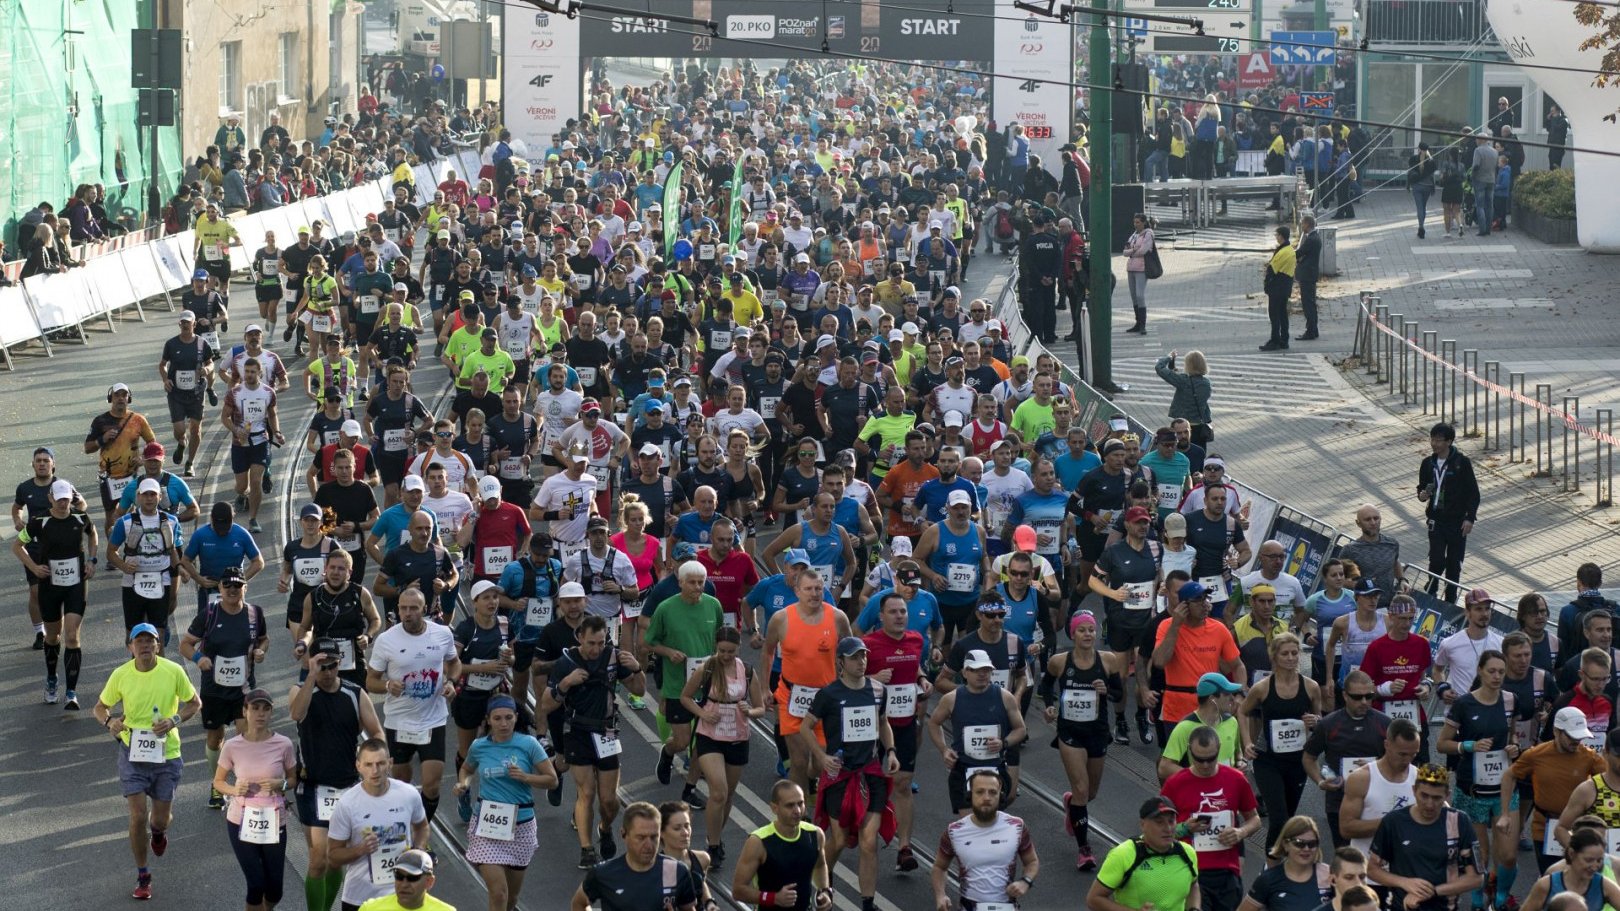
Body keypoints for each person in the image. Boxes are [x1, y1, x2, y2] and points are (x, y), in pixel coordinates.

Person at [93, 622, 202, 900]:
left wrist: (174, 720)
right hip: (132, 752)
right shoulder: (121, 675)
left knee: (160, 820)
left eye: (149, 641)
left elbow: (194, 703)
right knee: (138, 815)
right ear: (130, 647)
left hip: (166, 754)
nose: (144, 646)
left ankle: (158, 832)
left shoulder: (173, 671)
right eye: (138, 641)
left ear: (158, 645)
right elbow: (100, 707)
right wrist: (110, 722)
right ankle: (143, 875)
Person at [540, 611, 646, 869]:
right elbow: (545, 704)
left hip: (607, 732)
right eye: (591, 643)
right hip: (577, 731)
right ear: (580, 639)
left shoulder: (613, 656)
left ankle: (605, 827)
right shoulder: (566, 662)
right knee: (586, 792)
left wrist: (637, 668)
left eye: (601, 643)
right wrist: (565, 683)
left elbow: (639, 689)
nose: (597, 648)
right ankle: (586, 849)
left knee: (610, 801)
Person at [290, 637, 384, 911]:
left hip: (348, 785)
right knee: (319, 858)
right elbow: (296, 714)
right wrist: (311, 677)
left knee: (337, 858)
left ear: (340, 663)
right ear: (312, 664)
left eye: (332, 665)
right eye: (322, 665)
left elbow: (376, 732)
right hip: (314, 786)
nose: (328, 672)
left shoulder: (355, 694)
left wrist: (373, 762)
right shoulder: (300, 690)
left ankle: (327, 905)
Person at [453, 694, 558, 911]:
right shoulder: (479, 746)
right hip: (487, 825)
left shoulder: (528, 744)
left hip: (521, 826)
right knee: (499, 893)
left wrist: (526, 777)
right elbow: (467, 768)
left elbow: (552, 780)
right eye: (498, 718)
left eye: (508, 718)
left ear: (516, 718)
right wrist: (463, 783)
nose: (503, 723)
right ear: (488, 720)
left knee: (511, 899)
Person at [366, 587, 461, 826]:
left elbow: (454, 663)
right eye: (402, 608)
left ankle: (421, 832)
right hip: (399, 721)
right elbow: (370, 681)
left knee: (431, 784)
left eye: (413, 608)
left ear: (424, 609)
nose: (407, 613)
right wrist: (388, 685)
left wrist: (450, 681)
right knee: (400, 785)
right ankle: (405, 827)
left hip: (433, 719)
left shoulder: (442, 634)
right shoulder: (387, 640)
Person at [179, 564, 270, 809]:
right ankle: (217, 783)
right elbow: (186, 644)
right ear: (220, 587)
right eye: (227, 585)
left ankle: (243, 785)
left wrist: (261, 650)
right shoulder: (209, 614)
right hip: (214, 690)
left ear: (245, 588)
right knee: (214, 738)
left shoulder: (254, 614)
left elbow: (263, 638)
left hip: (243, 690)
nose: (232, 589)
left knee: (245, 736)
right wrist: (199, 659)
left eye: (237, 585)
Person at [1043, 610, 1128, 870]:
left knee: (1089, 793)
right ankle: (1084, 849)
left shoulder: (1109, 660)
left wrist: (1107, 691)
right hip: (1070, 732)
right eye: (1082, 630)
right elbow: (1045, 687)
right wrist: (1049, 706)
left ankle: (1072, 805)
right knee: (1081, 789)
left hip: (1097, 732)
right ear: (1073, 633)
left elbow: (1119, 693)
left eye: (1091, 629)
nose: (1087, 634)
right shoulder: (1060, 661)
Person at [680, 624, 768, 867]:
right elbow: (685, 697)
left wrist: (750, 711)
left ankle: (714, 835)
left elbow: (761, 708)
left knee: (728, 795)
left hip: (738, 736)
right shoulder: (707, 667)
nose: (726, 656)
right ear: (716, 648)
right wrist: (703, 713)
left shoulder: (747, 671)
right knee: (718, 791)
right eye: (722, 651)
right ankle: (714, 845)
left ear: (738, 648)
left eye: (731, 651)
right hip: (710, 735)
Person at [760, 568, 851, 794]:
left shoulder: (838, 618)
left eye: (818, 588)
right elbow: (768, 651)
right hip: (792, 698)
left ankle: (811, 780)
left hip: (826, 699)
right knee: (798, 762)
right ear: (797, 591)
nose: (814, 593)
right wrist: (764, 688)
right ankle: (800, 818)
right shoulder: (781, 619)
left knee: (821, 763)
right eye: (808, 589)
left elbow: (850, 652)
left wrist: (851, 687)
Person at [12, 478, 97, 707]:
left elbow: (93, 535)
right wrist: (34, 567)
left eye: (66, 499)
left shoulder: (80, 518)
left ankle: (71, 692)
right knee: (53, 636)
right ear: (51, 498)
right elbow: (17, 546)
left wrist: (92, 560)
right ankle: (51, 678)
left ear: (71, 498)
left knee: (71, 636)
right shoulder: (40, 521)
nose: (62, 504)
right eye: (58, 499)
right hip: (50, 585)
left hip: (76, 584)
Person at [646, 560, 724, 808]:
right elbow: (648, 643)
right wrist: (669, 652)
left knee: (702, 742)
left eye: (701, 582)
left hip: (707, 684)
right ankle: (668, 753)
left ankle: (689, 790)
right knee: (681, 741)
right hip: (677, 685)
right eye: (692, 582)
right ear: (680, 582)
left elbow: (720, 640)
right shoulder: (666, 609)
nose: (698, 587)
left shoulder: (713, 606)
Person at [212, 688, 297, 911]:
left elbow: (293, 779)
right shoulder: (232, 746)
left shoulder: (284, 744)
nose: (260, 714)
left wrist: (283, 785)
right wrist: (233, 789)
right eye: (255, 708)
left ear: (271, 713)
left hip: (274, 819)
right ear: (245, 711)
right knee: (256, 884)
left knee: (275, 889)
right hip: (241, 819)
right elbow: (218, 782)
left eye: (266, 709)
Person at [1161, 724, 1262, 911]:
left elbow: (1255, 819)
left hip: (1226, 874)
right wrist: (1185, 828)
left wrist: (1240, 832)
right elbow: (1157, 832)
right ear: (1190, 751)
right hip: (1188, 871)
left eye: (1211, 758)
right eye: (1199, 759)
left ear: (1219, 748)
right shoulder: (1175, 784)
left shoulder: (1236, 779)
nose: (1206, 765)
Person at [1240, 632, 1323, 849]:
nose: (1290, 658)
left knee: (1289, 820)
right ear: (1274, 656)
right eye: (1285, 653)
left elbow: (1320, 722)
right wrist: (1247, 742)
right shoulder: (1263, 687)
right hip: (1268, 760)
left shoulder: (1311, 687)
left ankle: (1282, 863)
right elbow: (1242, 711)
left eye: (1294, 653)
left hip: (1298, 761)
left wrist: (1314, 720)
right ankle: (1271, 862)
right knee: (1278, 818)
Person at [327, 739, 431, 911]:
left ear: (390, 763)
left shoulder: (408, 794)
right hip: (361, 897)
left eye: (380, 763)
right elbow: (333, 856)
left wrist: (418, 850)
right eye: (368, 764)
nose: (374, 771)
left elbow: (422, 827)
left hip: (402, 894)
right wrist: (359, 850)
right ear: (358, 766)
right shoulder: (347, 804)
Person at [1367, 764, 1484, 911]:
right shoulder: (1393, 822)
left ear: (1447, 795)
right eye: (1424, 796)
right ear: (1414, 791)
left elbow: (1476, 879)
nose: (1430, 804)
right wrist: (1404, 883)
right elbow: (1372, 869)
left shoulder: (1459, 821)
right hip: (1402, 906)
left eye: (1437, 798)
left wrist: (1433, 891)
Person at [929, 645, 1029, 815]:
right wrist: (944, 749)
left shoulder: (1005, 697)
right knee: (969, 825)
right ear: (965, 673)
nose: (982, 674)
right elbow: (933, 723)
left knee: (992, 821)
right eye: (976, 670)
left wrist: (1003, 743)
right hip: (963, 768)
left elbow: (1021, 729)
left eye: (986, 670)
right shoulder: (951, 699)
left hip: (994, 768)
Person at [1301, 669, 1392, 848]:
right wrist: (1320, 782)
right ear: (1345, 695)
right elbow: (1308, 757)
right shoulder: (1329, 724)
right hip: (1339, 802)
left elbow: (1399, 761)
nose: (1364, 702)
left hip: (1375, 801)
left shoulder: (1385, 723)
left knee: (1378, 856)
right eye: (1357, 697)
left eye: (1369, 696)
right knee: (1345, 857)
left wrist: (1379, 767)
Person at [1507, 706, 1605, 872]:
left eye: (1580, 736)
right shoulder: (1535, 754)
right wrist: (1505, 812)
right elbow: (1509, 776)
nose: (1577, 741)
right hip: (1544, 827)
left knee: (1579, 877)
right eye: (1572, 736)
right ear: (1556, 731)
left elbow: (1610, 781)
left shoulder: (1589, 757)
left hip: (1579, 827)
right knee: (1551, 877)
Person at [932, 768, 1040, 911]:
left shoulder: (1016, 826)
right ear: (970, 796)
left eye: (992, 792)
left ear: (1000, 796)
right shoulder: (955, 831)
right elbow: (940, 867)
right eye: (980, 792)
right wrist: (940, 895)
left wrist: (1025, 882)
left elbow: (1032, 861)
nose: (987, 797)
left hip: (1007, 905)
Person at [1152, 581, 1243, 742]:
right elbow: (1159, 661)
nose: (1205, 604)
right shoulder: (1166, 626)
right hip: (1176, 708)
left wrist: (1240, 694)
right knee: (1177, 761)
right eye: (1198, 600)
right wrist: (1175, 626)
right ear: (1184, 606)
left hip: (1209, 706)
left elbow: (1238, 665)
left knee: (1207, 759)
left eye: (1205, 598)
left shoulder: (1219, 628)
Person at [731, 780, 834, 911]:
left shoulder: (815, 835)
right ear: (775, 808)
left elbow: (820, 866)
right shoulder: (758, 842)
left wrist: (824, 890)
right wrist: (774, 898)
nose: (797, 810)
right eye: (790, 805)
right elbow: (738, 890)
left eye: (800, 803)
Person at [107, 478, 185, 649]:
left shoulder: (171, 521)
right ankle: (135, 670)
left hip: (161, 580)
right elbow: (111, 552)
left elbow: (172, 550)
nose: (149, 498)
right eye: (145, 495)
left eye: (153, 494)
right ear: (138, 497)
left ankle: (157, 671)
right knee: (133, 635)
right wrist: (123, 566)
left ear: (159, 497)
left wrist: (180, 569)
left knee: (159, 635)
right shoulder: (125, 522)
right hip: (132, 582)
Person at [1086, 797, 1200, 911]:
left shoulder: (1187, 852)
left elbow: (1193, 885)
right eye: (1159, 822)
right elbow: (1094, 899)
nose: (1168, 828)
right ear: (1143, 824)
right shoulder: (1123, 854)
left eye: (1171, 821)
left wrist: (1194, 908)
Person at [1338, 718, 1423, 854]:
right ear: (1387, 745)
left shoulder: (1419, 778)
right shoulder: (1361, 778)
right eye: (1402, 754)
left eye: (1413, 754)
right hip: (1366, 868)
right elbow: (1346, 828)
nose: (1407, 760)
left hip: (1404, 868)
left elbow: (1442, 816)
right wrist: (1392, 822)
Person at [1418, 422, 1480, 603]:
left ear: (1449, 442)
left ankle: (1451, 599)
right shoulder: (1427, 464)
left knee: (1454, 564)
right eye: (1432, 439)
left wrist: (1470, 518)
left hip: (1457, 522)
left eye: (1439, 440)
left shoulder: (1461, 463)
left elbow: (1473, 493)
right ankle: (1431, 591)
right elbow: (1421, 489)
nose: (1435, 444)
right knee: (1436, 560)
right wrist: (1422, 495)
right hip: (1436, 520)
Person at [1236, 815, 1332, 911]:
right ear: (1285, 844)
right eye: (1299, 843)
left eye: (1312, 844)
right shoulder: (1268, 880)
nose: (1306, 849)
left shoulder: (1330, 875)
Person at [1522, 827, 1620, 911]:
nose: (1595, 866)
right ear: (1572, 854)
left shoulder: (1604, 885)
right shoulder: (1546, 885)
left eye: (1599, 860)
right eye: (1589, 860)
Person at [356, 849, 454, 911]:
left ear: (429, 882)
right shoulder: (370, 908)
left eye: (412, 878)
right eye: (399, 876)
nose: (404, 884)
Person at [1156, 352, 1212, 447]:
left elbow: (1159, 368)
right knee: (1198, 455)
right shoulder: (1206, 383)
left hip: (1182, 428)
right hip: (1200, 428)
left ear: (1189, 365)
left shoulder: (1184, 381)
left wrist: (1168, 357)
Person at [1261, 227, 1296, 351]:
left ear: (1281, 236)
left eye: (1277, 235)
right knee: (1282, 314)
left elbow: (1272, 269)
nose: (1276, 237)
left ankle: (1274, 340)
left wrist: (1267, 283)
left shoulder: (1283, 252)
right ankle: (1284, 339)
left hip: (1277, 287)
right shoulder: (1290, 250)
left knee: (1274, 315)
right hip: (1285, 287)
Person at [1122, 213, 1154, 334]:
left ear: (1144, 222)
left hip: (1141, 268)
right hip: (1131, 268)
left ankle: (1143, 325)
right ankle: (1138, 322)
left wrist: (1132, 252)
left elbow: (1143, 250)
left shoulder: (1148, 234)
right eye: (1134, 222)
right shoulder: (1134, 235)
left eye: (1138, 222)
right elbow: (1124, 251)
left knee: (1140, 295)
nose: (1136, 224)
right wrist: (1132, 251)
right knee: (1134, 296)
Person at [1409, 143, 1438, 239]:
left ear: (1419, 149)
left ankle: (1421, 227)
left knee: (1419, 207)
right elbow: (1432, 176)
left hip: (1417, 186)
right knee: (1424, 207)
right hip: (1428, 186)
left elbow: (1410, 172)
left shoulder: (1413, 159)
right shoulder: (1431, 162)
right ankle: (1421, 225)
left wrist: (1408, 185)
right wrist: (1433, 187)